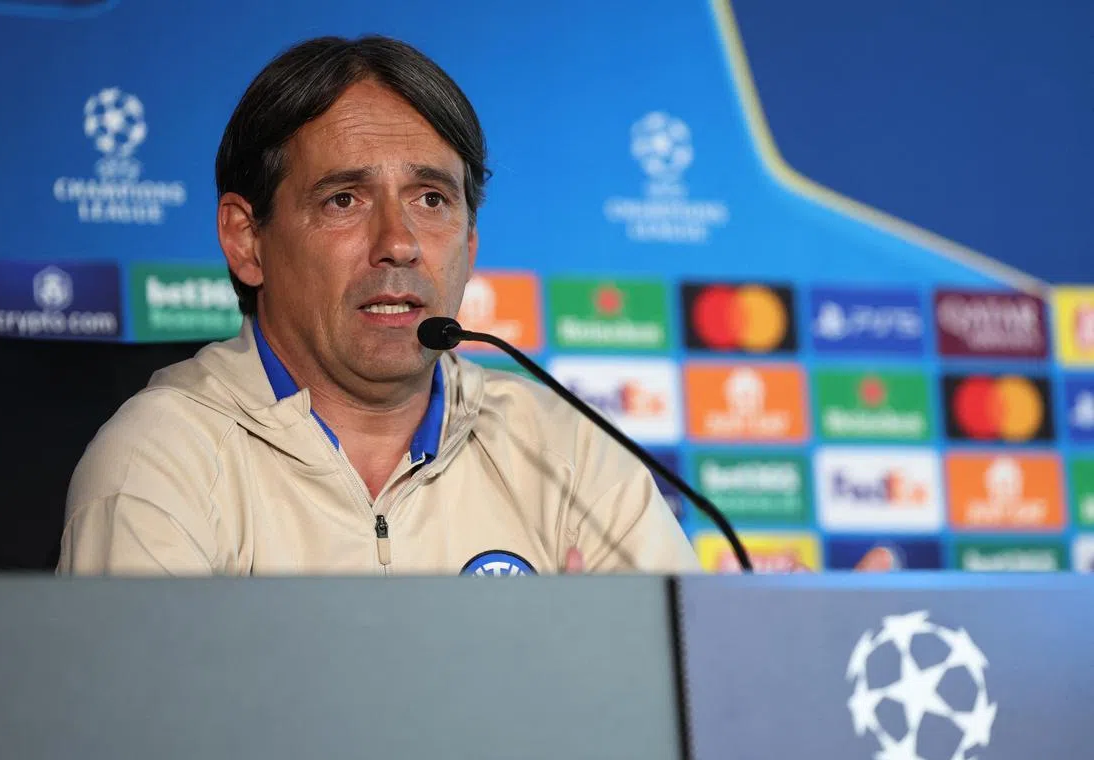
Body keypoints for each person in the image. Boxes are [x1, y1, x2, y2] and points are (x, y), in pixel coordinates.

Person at [57, 35, 891, 577]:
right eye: (345, 201)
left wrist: (794, 645)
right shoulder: (160, 463)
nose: (399, 243)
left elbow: (689, 699)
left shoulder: (562, 451)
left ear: (470, 242)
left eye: (432, 200)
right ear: (246, 239)